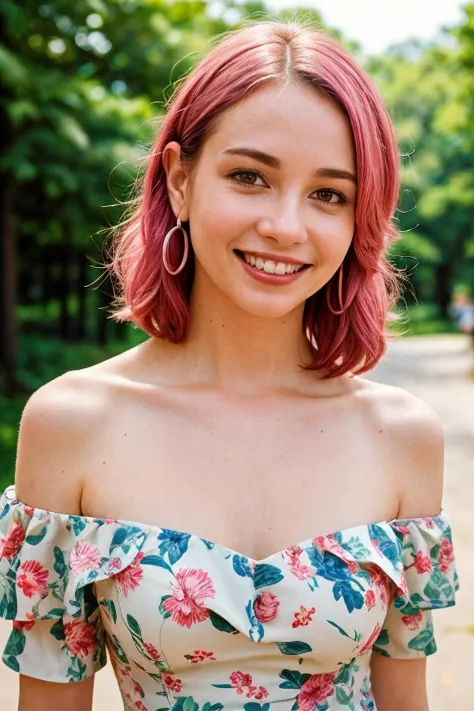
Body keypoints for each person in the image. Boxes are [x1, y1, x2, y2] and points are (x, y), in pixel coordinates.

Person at [0, 19, 459, 711]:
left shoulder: (402, 435)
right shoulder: (74, 424)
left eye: (329, 194)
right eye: (250, 176)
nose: (285, 225)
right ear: (181, 180)